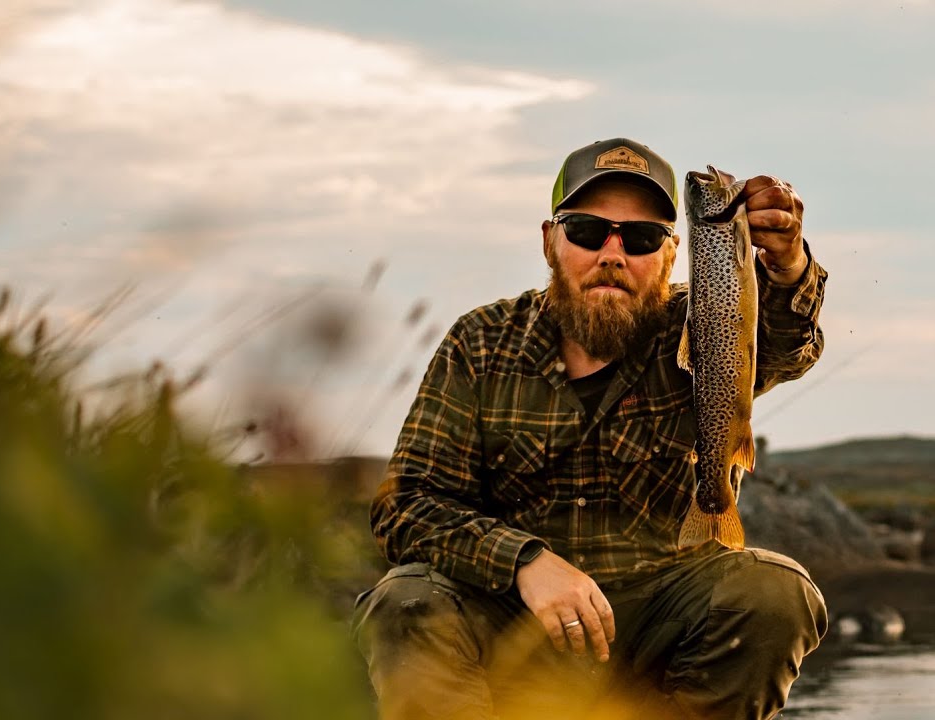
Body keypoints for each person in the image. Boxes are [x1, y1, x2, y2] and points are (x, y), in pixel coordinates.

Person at [354, 137, 829, 720]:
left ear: (672, 253)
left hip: (662, 622)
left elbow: (784, 344)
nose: (612, 253)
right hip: (515, 625)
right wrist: (524, 562)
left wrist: (787, 266)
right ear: (550, 242)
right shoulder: (480, 341)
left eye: (640, 238)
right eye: (586, 231)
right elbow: (406, 504)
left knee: (777, 593)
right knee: (405, 601)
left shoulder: (704, 321)